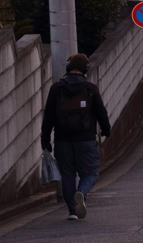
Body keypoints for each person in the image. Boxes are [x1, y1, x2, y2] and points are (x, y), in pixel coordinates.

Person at [41, 53, 110, 220]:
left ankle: (72, 210)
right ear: (86, 69)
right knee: (91, 172)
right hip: (86, 138)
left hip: (63, 139)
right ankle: (82, 192)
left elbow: (48, 115)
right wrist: (106, 130)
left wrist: (45, 139)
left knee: (67, 174)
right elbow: (101, 112)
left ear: (68, 67)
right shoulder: (90, 88)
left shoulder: (56, 88)